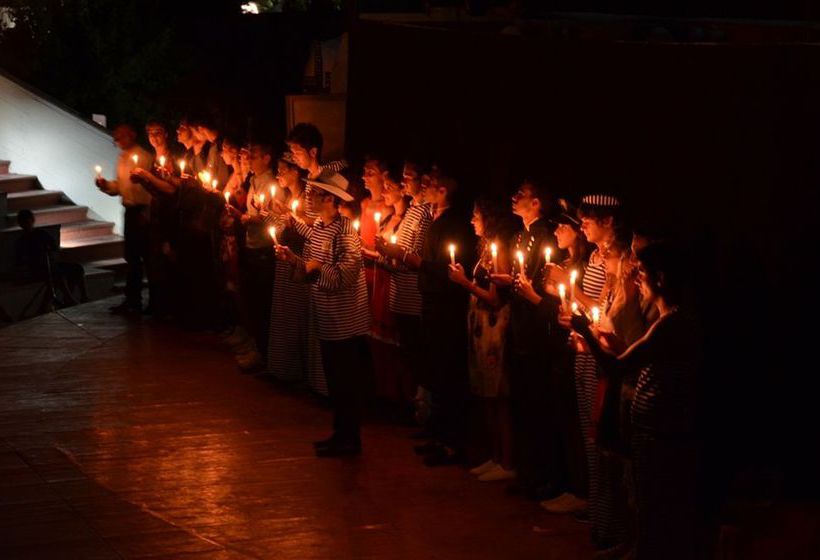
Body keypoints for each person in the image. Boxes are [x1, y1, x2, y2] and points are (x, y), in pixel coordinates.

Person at [569, 241, 701, 560]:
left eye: (642, 272)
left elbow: (617, 367)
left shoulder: (671, 325)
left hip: (662, 432)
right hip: (651, 428)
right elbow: (633, 358)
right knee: (640, 497)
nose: (637, 278)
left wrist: (586, 333)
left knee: (654, 503)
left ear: (661, 279)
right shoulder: (667, 321)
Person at [274, 173, 371, 457]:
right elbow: (310, 266)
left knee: (345, 382)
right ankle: (340, 435)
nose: (310, 199)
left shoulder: (345, 232)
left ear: (330, 199)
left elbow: (345, 276)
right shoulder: (319, 226)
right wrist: (294, 260)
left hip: (345, 320)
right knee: (334, 381)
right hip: (327, 317)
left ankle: (350, 439)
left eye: (315, 194)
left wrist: (316, 267)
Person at [396, 168, 476, 466]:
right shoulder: (436, 219)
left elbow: (448, 268)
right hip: (431, 303)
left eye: (429, 184)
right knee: (436, 371)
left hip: (447, 307)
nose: (423, 187)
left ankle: (451, 442)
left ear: (443, 190)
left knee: (448, 373)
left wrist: (412, 260)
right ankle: (439, 435)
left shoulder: (454, 224)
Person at [491, 179, 561, 500]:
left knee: (537, 405)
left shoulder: (546, 236)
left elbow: (543, 284)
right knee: (522, 402)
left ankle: (540, 475)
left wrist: (525, 287)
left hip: (537, 331)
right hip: (520, 326)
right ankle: (526, 470)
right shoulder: (520, 235)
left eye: (522, 194)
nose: (514, 197)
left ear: (536, 203)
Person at [447, 196, 515, 482]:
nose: (472, 220)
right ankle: (494, 456)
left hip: (493, 329)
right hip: (480, 329)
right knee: (486, 394)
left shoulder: (499, 249)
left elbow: (496, 299)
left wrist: (465, 283)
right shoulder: (486, 247)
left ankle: (507, 461)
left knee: (497, 396)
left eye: (477, 215)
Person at [375, 160, 433, 419]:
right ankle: (412, 405)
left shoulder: (425, 213)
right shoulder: (412, 210)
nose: (404, 181)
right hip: (400, 294)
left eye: (409, 177)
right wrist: (386, 255)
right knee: (406, 352)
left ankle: (422, 410)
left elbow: (416, 257)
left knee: (418, 355)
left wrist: (391, 254)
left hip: (412, 297)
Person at [266, 152, 325, 394]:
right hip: (285, 261)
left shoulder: (305, 201)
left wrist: (294, 220)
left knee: (296, 316)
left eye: (283, 169)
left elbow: (310, 230)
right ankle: (283, 368)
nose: (278, 174)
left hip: (299, 260)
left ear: (296, 172)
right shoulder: (287, 198)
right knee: (284, 314)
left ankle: (296, 370)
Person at [94, 124, 153, 314]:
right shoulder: (122, 158)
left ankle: (151, 301)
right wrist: (105, 185)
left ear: (132, 135)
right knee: (131, 256)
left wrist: (148, 211)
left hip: (143, 210)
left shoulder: (144, 157)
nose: (117, 141)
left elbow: (151, 187)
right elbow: (120, 186)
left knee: (145, 256)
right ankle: (132, 300)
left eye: (120, 137)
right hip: (129, 210)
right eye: (115, 138)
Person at [236, 141, 282, 368]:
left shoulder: (272, 184)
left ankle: (265, 353)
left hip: (264, 248)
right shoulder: (254, 180)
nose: (249, 159)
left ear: (266, 158)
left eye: (253, 155)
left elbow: (272, 218)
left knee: (264, 303)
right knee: (253, 300)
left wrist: (249, 218)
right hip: (252, 245)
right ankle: (257, 344)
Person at [14, 209, 87, 311]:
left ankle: (83, 297)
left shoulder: (41, 233)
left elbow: (54, 247)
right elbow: (19, 261)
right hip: (36, 270)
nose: (26, 224)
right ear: (20, 224)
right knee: (57, 273)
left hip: (50, 264)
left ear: (32, 221)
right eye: (23, 222)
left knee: (77, 268)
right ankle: (68, 299)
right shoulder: (21, 242)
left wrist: (49, 250)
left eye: (28, 221)